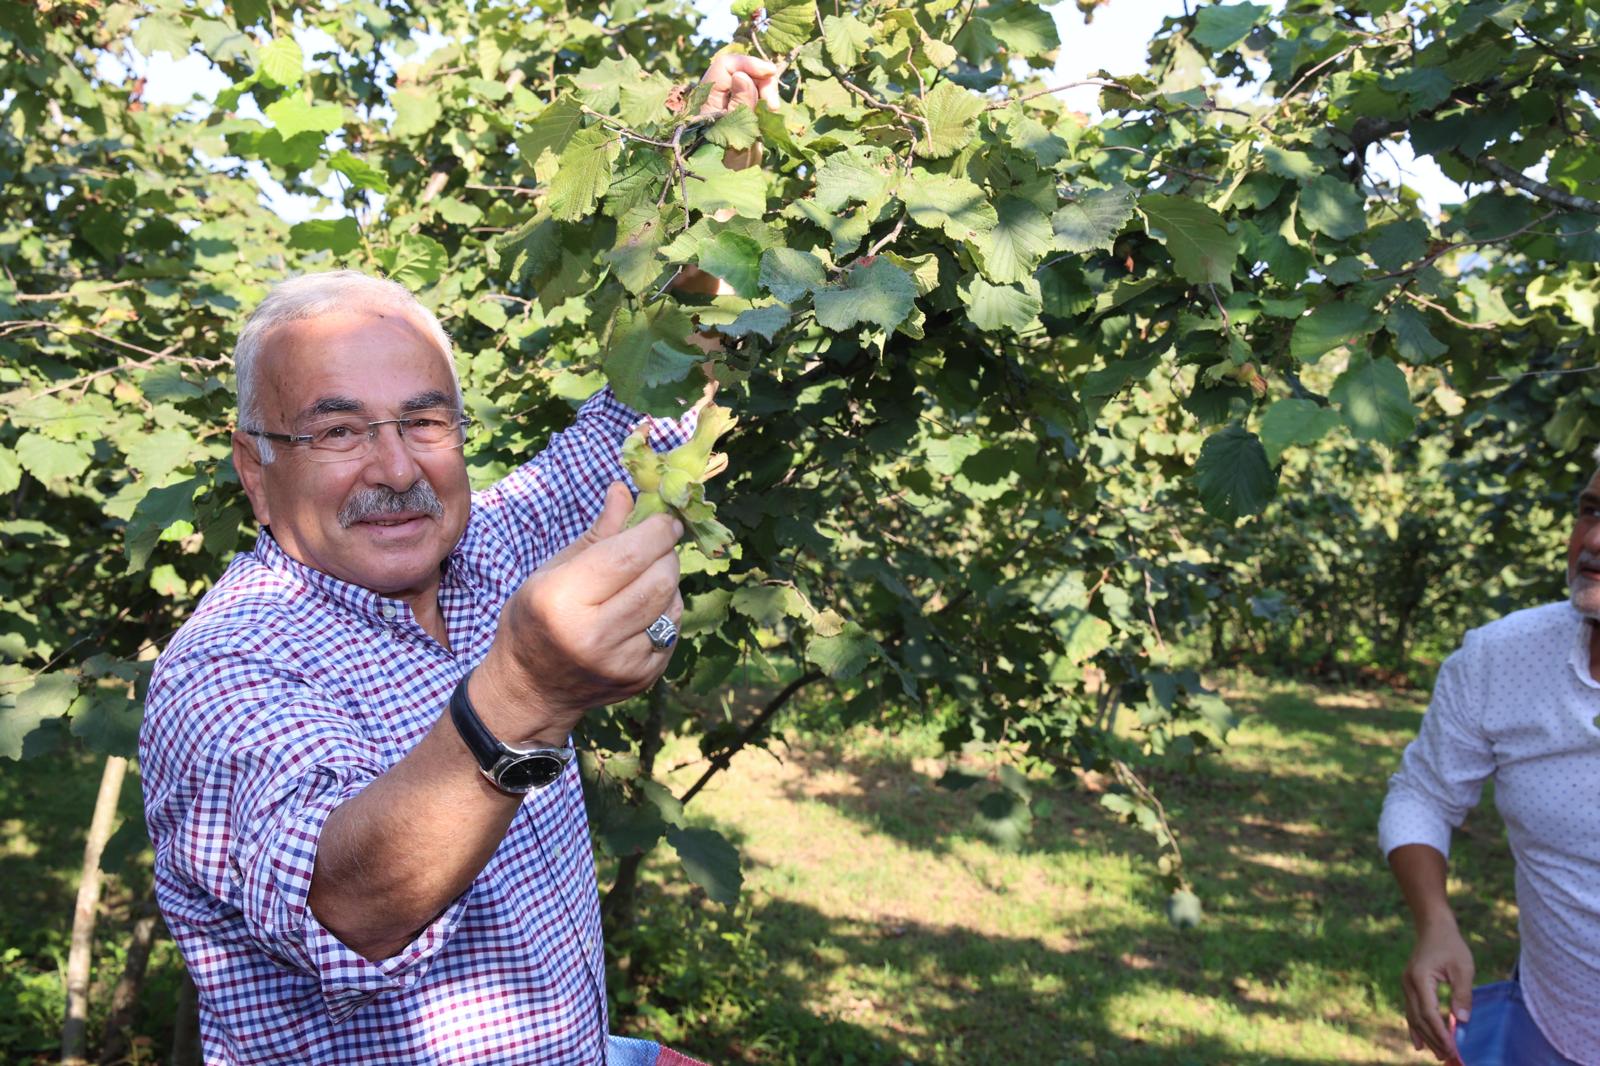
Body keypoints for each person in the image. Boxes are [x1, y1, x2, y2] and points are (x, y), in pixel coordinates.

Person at [139, 53, 779, 1065]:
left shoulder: (489, 548)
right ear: (255, 468)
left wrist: (710, 186)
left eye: (425, 420)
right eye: (338, 431)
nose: (395, 467)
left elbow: (647, 399)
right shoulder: (227, 669)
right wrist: (521, 695)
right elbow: (348, 905)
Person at [1380, 460, 1600, 1065]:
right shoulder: (1503, 659)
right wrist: (1434, 922)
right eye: (1591, 510)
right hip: (1552, 1028)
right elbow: (1422, 795)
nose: (1594, 540)